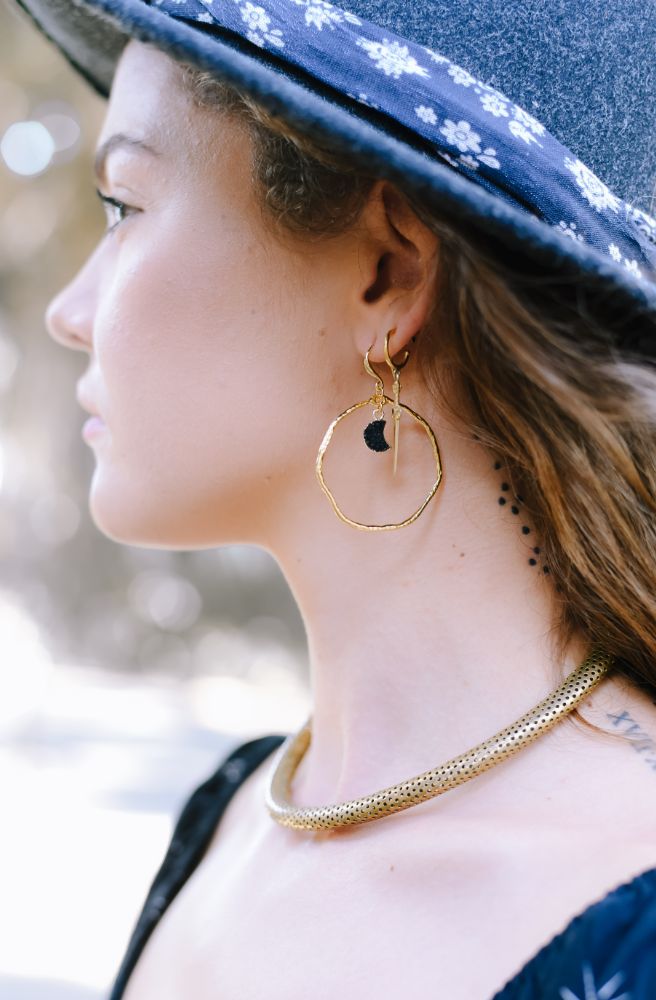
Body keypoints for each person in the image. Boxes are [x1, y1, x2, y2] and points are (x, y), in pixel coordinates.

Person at [9, 0, 656, 996]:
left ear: (386, 274)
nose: (69, 311)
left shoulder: (627, 925)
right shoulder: (228, 814)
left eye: (124, 207)